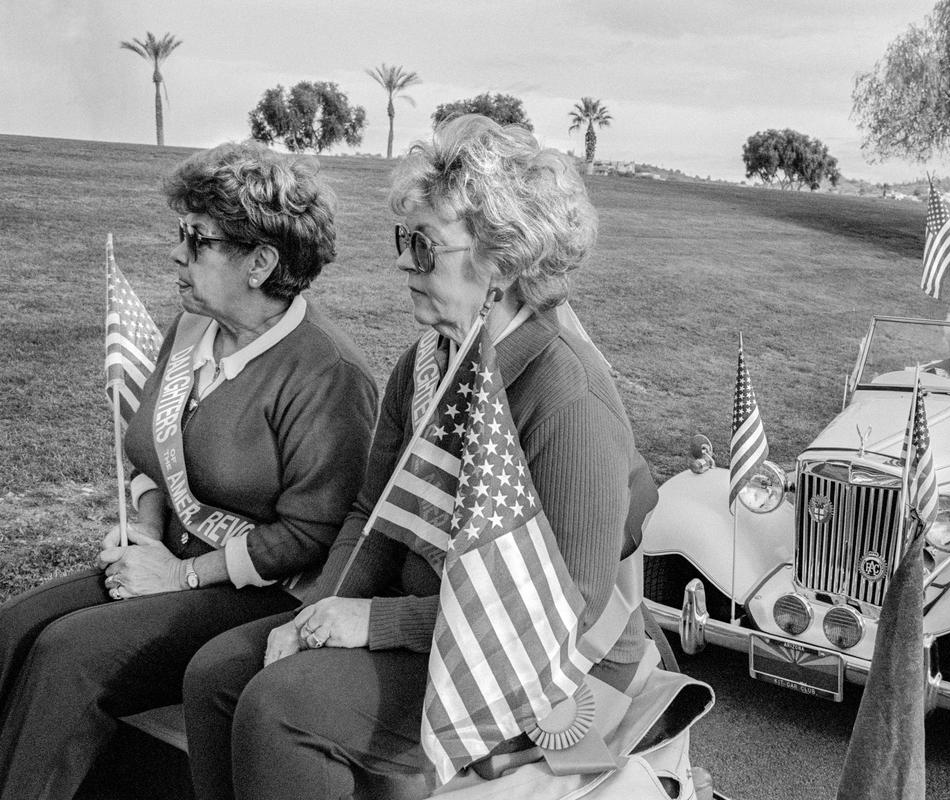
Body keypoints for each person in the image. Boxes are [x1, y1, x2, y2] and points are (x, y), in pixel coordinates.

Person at [182, 115, 661, 800]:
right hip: (444, 620)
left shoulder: (564, 389)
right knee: (217, 675)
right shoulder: (429, 359)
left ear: (500, 257)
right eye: (403, 240)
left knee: (280, 709)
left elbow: (570, 611)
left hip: (550, 668)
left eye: (424, 245)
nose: (403, 261)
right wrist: (317, 614)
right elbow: (370, 516)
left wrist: (375, 623)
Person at [0, 142, 378, 800]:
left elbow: (312, 535)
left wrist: (180, 575)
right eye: (182, 233)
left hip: (258, 592)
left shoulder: (329, 376)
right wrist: (146, 534)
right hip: (167, 561)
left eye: (197, 239)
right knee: (13, 629)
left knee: (70, 657)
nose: (177, 252)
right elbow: (146, 449)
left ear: (260, 262)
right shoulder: (191, 329)